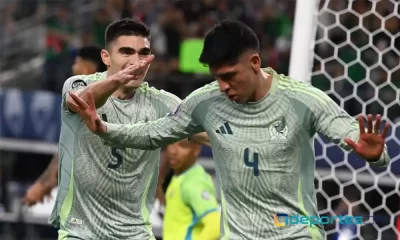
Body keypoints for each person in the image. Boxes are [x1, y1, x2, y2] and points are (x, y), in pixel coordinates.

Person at [69, 20, 391, 239]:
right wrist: (104, 129)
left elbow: (356, 136)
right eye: (215, 77)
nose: (222, 86)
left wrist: (376, 156)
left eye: (229, 76)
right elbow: (155, 132)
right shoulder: (205, 102)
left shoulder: (303, 100)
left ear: (254, 63)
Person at [48, 18, 208, 240]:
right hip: (79, 231)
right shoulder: (78, 84)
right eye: (126, 52)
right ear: (106, 57)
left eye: (143, 53)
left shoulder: (161, 103)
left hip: (135, 234)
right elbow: (80, 101)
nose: (137, 61)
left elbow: (212, 133)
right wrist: (118, 79)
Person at [23, 46, 107, 207]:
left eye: (77, 62)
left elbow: (68, 147)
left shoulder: (88, 103)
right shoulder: (99, 98)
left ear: (90, 68)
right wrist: (47, 181)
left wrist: (44, 183)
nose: (73, 68)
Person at [163, 138, 220, 240]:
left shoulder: (194, 182)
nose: (173, 150)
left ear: (196, 149)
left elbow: (215, 226)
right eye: (170, 143)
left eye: (182, 145)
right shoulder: (180, 176)